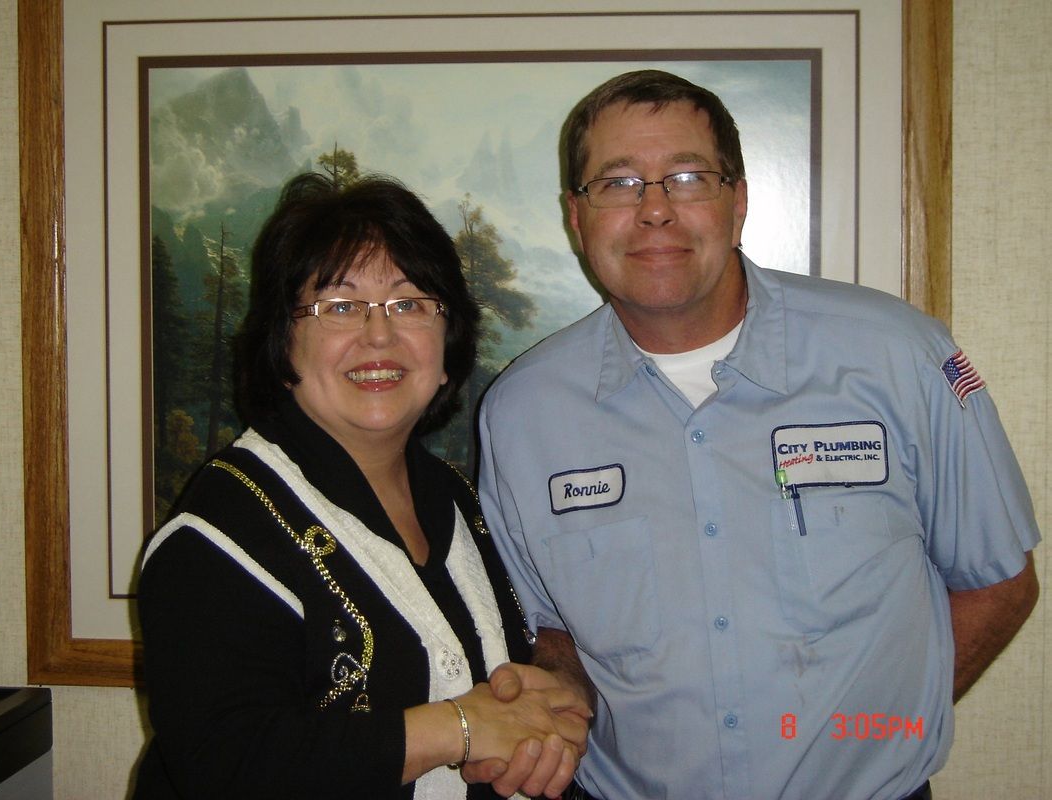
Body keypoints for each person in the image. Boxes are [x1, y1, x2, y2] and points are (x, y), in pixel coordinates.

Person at [473, 70, 1041, 800]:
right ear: (576, 219)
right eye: (617, 183)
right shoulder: (523, 412)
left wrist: (874, 735)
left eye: (686, 177)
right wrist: (550, 700)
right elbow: (548, 630)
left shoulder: (898, 355)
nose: (654, 211)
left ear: (738, 203)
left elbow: (998, 581)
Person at [134, 172, 590, 799]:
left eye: (408, 303)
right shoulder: (216, 537)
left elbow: (501, 695)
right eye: (339, 306)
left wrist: (543, 713)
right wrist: (455, 727)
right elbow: (227, 766)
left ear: (446, 342)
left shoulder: (453, 498)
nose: (379, 336)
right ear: (283, 340)